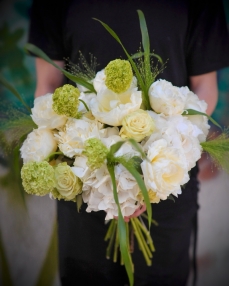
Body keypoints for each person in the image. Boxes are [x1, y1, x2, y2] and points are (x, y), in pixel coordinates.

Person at [28, 0, 229, 285]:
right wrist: (89, 167)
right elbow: (47, 87)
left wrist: (152, 175)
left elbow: (205, 89)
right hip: (85, 185)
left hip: (167, 183)